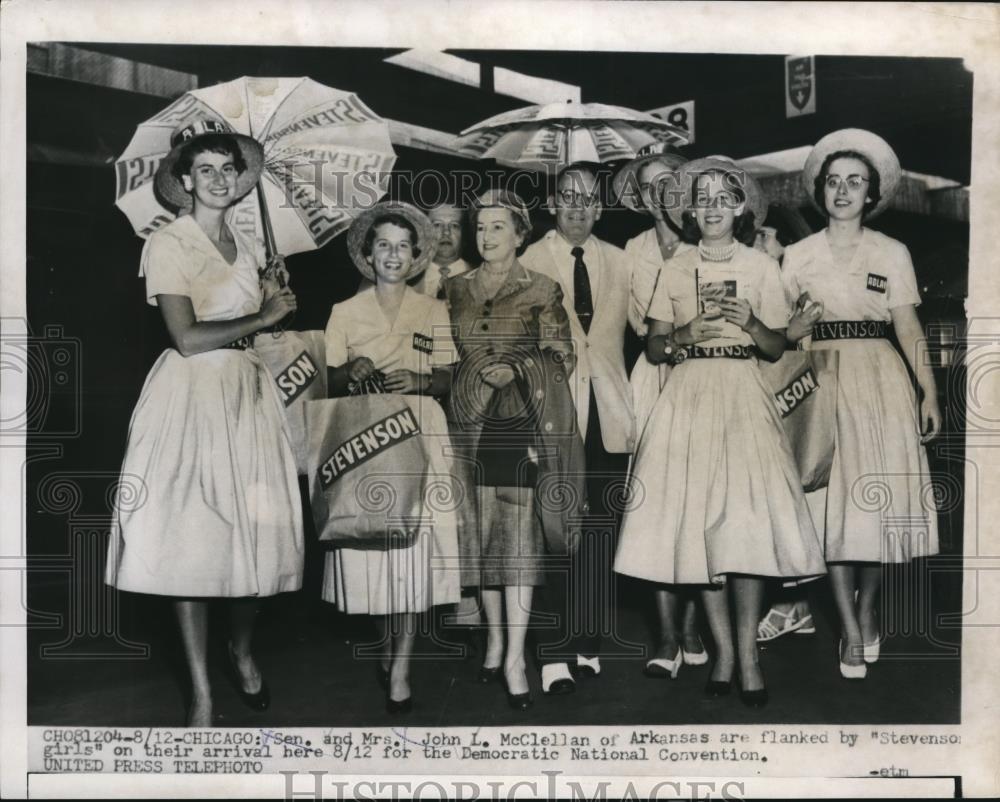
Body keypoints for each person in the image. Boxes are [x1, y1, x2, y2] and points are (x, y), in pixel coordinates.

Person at [105, 119, 304, 727]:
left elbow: (256, 325)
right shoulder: (168, 243)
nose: (219, 179)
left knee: (253, 544)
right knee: (193, 545)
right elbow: (188, 338)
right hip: (190, 398)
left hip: (247, 398)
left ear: (242, 182)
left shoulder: (251, 243)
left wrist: (273, 300)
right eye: (206, 171)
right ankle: (202, 694)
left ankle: (240, 650)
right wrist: (260, 315)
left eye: (228, 169)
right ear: (185, 181)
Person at [614, 157, 826, 708]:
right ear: (690, 210)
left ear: (739, 208)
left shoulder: (760, 267)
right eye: (701, 196)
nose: (710, 205)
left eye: (721, 196)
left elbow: (778, 347)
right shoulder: (676, 267)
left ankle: (750, 658)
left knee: (747, 526)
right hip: (687, 395)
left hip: (742, 392)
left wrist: (751, 322)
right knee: (699, 524)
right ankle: (725, 652)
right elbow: (655, 346)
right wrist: (684, 332)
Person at [777, 129, 941, 678]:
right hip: (821, 383)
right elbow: (785, 336)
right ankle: (849, 629)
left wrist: (930, 391)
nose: (843, 191)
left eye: (855, 182)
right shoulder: (796, 256)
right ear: (820, 190)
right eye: (834, 181)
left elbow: (909, 326)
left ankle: (868, 610)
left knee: (874, 508)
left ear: (871, 193)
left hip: (879, 382)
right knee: (832, 512)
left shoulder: (892, 253)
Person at [443, 189, 584, 710]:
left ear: (521, 234)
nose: (487, 237)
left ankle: (515, 657)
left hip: (519, 425)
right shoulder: (453, 289)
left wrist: (517, 370)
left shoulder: (542, 288)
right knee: (482, 540)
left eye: (498, 227)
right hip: (467, 424)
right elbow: (442, 353)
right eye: (481, 227)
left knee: (519, 543)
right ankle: (496, 639)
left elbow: (560, 356)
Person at [322, 201, 461, 713]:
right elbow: (326, 379)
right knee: (375, 548)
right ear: (367, 253)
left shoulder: (434, 310)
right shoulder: (344, 313)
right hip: (367, 437)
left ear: (417, 255)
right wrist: (349, 370)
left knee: (415, 550)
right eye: (383, 244)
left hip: (422, 433)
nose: (393, 254)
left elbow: (449, 375)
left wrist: (424, 381)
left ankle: (402, 665)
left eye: (403, 246)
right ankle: (385, 638)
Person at [519, 163, 637, 695]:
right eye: (568, 196)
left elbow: (649, 328)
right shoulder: (527, 262)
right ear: (552, 203)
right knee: (551, 531)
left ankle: (587, 639)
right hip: (551, 412)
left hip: (610, 413)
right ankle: (551, 652)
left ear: (600, 207)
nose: (578, 207)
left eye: (589, 198)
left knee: (600, 533)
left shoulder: (621, 261)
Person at [613, 144, 707, 678]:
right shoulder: (632, 249)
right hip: (653, 378)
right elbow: (633, 323)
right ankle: (668, 637)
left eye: (670, 182)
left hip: (709, 377)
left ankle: (695, 624)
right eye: (650, 187)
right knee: (656, 511)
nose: (661, 194)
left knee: (701, 504)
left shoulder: (714, 239)